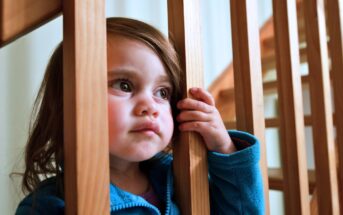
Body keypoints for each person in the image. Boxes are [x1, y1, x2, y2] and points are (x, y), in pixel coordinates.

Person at [15, 17, 264, 215]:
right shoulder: (49, 205)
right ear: (67, 102)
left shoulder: (180, 176)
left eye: (162, 92)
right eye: (124, 85)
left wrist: (224, 147)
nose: (151, 106)